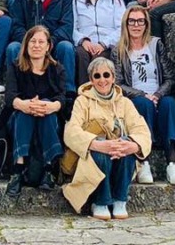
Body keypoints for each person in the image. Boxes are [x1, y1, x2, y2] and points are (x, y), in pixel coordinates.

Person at [62, 55, 152, 220]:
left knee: (126, 146)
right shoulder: (82, 101)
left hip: (119, 157)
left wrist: (134, 145)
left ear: (113, 77)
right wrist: (96, 144)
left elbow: (141, 130)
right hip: (94, 157)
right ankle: (100, 201)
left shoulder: (125, 102)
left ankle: (120, 200)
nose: (102, 80)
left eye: (106, 75)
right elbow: (71, 131)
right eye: (97, 76)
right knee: (102, 150)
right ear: (91, 79)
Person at [114, 5, 175, 185]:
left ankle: (172, 163)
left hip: (158, 95)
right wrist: (143, 94)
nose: (136, 25)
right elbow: (118, 83)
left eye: (140, 21)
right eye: (132, 21)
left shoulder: (155, 44)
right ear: (126, 24)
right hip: (136, 97)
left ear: (146, 24)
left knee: (170, 103)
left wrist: (158, 95)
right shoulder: (119, 50)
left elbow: (170, 77)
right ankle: (143, 161)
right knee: (142, 104)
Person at [4, 25, 67, 199]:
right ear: (26, 44)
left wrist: (51, 106)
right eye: (33, 41)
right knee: (25, 114)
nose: (36, 45)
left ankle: (48, 168)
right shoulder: (16, 67)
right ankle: (17, 170)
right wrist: (24, 105)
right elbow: (9, 97)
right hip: (19, 118)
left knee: (47, 109)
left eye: (41, 42)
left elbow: (62, 98)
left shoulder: (57, 69)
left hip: (48, 117)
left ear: (48, 46)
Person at [6, 0, 76, 92]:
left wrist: (49, 43)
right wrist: (30, 42)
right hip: (30, 42)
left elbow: (66, 26)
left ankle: (68, 93)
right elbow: (16, 25)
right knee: (13, 48)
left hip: (53, 43)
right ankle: (14, 92)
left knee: (66, 47)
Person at [72, 0, 125, 86]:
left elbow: (121, 27)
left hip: (107, 44)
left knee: (98, 60)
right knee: (81, 55)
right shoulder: (77, 0)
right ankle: (84, 95)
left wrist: (103, 44)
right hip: (85, 44)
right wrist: (83, 41)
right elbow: (72, 27)